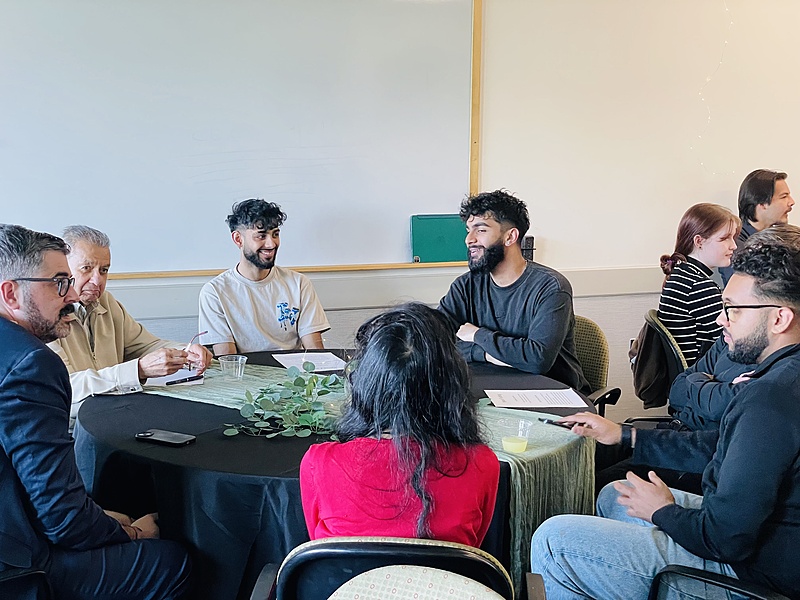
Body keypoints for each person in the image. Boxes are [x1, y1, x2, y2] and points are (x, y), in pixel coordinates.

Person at [530, 224, 800, 599]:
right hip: (757, 540)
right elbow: (725, 448)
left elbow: (725, 539)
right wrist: (625, 435)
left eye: (734, 310)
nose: (721, 319)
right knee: (615, 494)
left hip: (751, 576)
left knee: (553, 540)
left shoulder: (770, 396)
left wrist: (663, 511)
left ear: (780, 319)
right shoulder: (781, 377)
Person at [0, 224, 192, 599]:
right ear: (11, 294)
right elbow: (63, 519)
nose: (73, 293)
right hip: (18, 566)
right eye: (60, 283)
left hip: (15, 523)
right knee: (173, 560)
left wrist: (99, 517)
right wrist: (131, 532)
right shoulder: (31, 363)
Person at [300, 303, 499, 547]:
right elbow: (473, 547)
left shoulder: (320, 462)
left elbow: (319, 547)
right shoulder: (482, 464)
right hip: (443, 574)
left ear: (366, 384)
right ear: (451, 385)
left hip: (344, 574)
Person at [47, 225, 212, 427]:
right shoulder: (46, 316)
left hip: (116, 416)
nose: (97, 280)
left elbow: (147, 345)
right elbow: (68, 389)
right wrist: (138, 370)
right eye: (87, 268)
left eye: (104, 270)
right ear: (64, 270)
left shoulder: (107, 302)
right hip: (73, 429)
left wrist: (186, 351)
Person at [438, 190, 589, 393]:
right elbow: (437, 342)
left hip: (550, 394)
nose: (469, 239)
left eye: (480, 230)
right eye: (468, 230)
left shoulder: (551, 287)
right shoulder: (465, 285)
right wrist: (486, 353)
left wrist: (477, 335)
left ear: (510, 236)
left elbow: (536, 360)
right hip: (491, 390)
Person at [199, 199, 330, 356]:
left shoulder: (299, 283)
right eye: (261, 236)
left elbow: (316, 353)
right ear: (238, 239)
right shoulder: (214, 292)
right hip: (247, 371)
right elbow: (228, 361)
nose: (271, 244)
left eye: (275, 234)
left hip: (294, 370)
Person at [658, 203, 740, 365]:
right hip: (700, 372)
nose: (734, 246)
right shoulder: (698, 286)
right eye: (724, 238)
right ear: (699, 241)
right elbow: (732, 343)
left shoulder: (681, 273)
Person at [719, 169, 794, 286]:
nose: (791, 202)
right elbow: (750, 289)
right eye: (784, 197)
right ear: (761, 204)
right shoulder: (734, 245)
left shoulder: (780, 239)